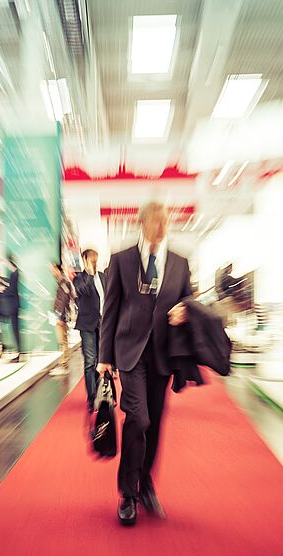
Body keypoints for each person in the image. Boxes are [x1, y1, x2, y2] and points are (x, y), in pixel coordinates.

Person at [98, 201, 192, 526]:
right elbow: (109, 310)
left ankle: (147, 482)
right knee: (138, 419)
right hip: (130, 353)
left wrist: (185, 310)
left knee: (156, 422)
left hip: (163, 354)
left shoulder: (180, 263)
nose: (161, 227)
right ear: (142, 223)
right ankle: (128, 493)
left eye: (165, 221)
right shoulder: (122, 260)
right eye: (155, 222)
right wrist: (104, 358)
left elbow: (188, 298)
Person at [73, 248, 106, 411]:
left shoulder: (104, 277)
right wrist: (89, 273)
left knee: (101, 361)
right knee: (89, 361)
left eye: (96, 258)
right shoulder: (79, 278)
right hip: (87, 325)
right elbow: (83, 291)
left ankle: (99, 390)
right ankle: (92, 399)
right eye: (91, 258)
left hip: (103, 324)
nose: (94, 261)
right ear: (84, 260)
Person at [0, 253, 21, 362]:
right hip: (15, 305)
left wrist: (1, 289)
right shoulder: (15, 273)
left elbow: (12, 290)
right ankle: (18, 352)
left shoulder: (14, 274)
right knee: (15, 330)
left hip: (13, 306)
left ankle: (18, 354)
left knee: (15, 331)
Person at [50, 261, 73, 376]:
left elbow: (64, 300)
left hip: (61, 316)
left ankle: (64, 365)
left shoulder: (63, 282)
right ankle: (63, 364)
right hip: (59, 315)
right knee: (62, 341)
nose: (52, 271)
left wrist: (60, 316)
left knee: (63, 341)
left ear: (58, 269)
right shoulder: (61, 282)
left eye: (53, 269)